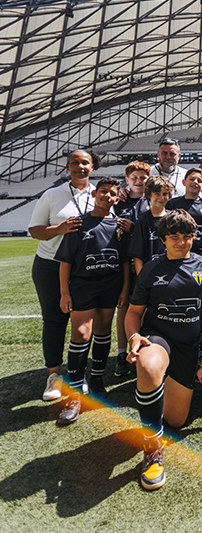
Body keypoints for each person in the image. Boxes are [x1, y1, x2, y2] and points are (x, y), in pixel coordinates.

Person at [125, 209, 202, 490]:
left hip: (190, 345)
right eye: (174, 237)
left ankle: (157, 387)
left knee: (176, 420)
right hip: (158, 337)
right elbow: (133, 313)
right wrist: (134, 336)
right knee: (148, 365)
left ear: (195, 237)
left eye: (187, 236)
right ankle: (153, 449)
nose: (181, 242)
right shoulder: (151, 269)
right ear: (163, 239)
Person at [54, 177, 131, 425]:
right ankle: (75, 393)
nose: (108, 196)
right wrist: (65, 293)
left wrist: (124, 290)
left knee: (102, 332)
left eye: (113, 194)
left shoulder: (120, 226)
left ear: (118, 198)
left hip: (110, 285)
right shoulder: (79, 223)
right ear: (95, 193)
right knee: (80, 333)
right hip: (83, 286)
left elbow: (124, 263)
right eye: (104, 192)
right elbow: (66, 262)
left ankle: (97, 382)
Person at [28, 149, 100, 402]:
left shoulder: (100, 196)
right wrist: (58, 229)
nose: (80, 167)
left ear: (93, 167)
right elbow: (34, 231)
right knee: (55, 320)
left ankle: (78, 374)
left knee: (83, 325)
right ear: (68, 166)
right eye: (74, 163)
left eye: (85, 163)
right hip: (49, 265)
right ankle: (54, 374)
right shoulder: (53, 194)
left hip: (84, 269)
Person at [113, 161, 151, 377]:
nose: (138, 181)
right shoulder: (118, 201)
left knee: (144, 308)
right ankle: (121, 353)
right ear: (127, 180)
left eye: (142, 178)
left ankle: (142, 350)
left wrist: (133, 229)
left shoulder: (151, 201)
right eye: (134, 178)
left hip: (145, 263)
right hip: (122, 262)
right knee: (124, 306)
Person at [128, 176, 174, 275]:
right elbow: (137, 255)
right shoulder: (143, 220)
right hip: (150, 273)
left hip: (171, 271)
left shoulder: (173, 218)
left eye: (165, 194)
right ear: (149, 195)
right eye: (157, 194)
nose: (162, 198)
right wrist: (142, 279)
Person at [166, 167, 202, 254]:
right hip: (177, 249)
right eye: (192, 179)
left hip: (200, 252)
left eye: (199, 181)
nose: (195, 182)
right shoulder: (172, 204)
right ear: (184, 182)